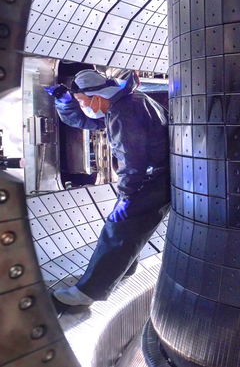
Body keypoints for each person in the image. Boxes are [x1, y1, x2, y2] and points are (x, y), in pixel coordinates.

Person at [45, 68, 169, 306]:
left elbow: (131, 158)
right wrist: (66, 101)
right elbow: (84, 120)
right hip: (160, 175)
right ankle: (124, 268)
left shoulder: (125, 112)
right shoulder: (125, 101)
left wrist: (126, 195)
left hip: (154, 177)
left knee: (118, 226)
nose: (84, 106)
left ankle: (87, 293)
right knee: (129, 226)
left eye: (82, 101)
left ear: (97, 96)